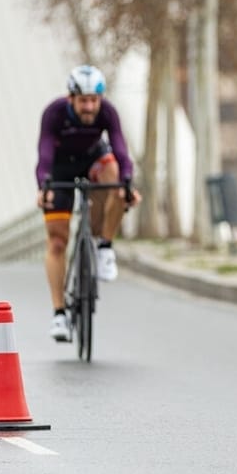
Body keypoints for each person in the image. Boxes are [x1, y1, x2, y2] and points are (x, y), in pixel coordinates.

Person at [36, 65, 140, 341]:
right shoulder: (54, 113)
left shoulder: (107, 113)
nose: (89, 107)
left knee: (117, 180)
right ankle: (59, 314)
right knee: (57, 242)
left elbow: (121, 150)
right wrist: (44, 185)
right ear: (70, 98)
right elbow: (44, 154)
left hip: (93, 160)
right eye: (83, 100)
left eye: (94, 100)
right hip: (60, 169)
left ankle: (104, 246)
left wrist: (127, 183)